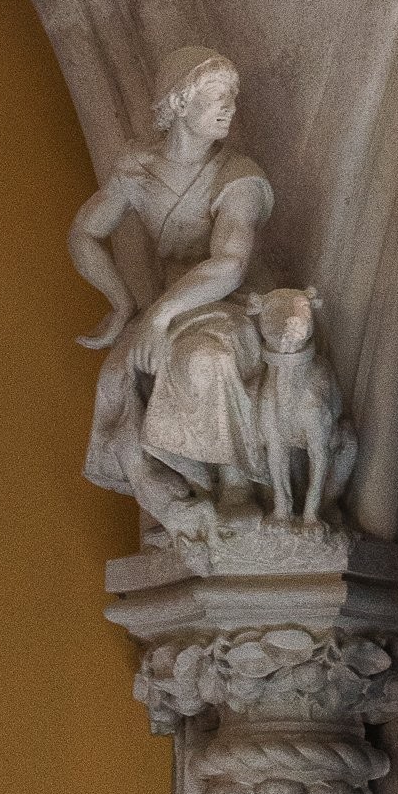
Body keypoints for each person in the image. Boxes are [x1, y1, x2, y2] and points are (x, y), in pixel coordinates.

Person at [71, 48, 275, 541]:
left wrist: (159, 314)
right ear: (180, 104)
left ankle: (235, 485)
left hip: (227, 308)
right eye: (215, 96)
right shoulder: (141, 173)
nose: (229, 106)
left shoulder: (238, 175)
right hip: (169, 310)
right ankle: (170, 493)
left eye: (232, 96)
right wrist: (121, 303)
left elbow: (229, 265)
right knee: (117, 379)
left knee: (204, 358)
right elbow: (84, 233)